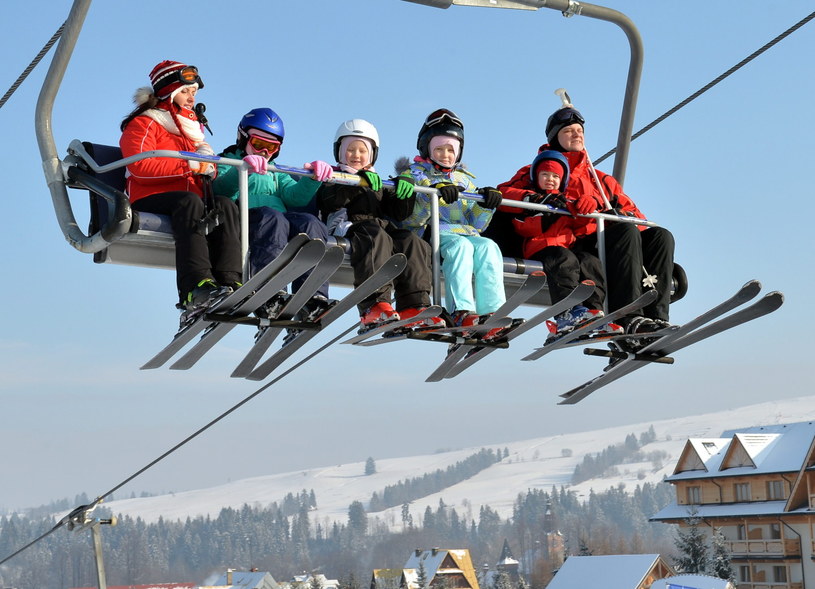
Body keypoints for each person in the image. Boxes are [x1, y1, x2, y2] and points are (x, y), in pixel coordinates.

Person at [497, 106, 676, 334]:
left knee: (660, 236)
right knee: (625, 233)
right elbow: (503, 193)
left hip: (603, 241)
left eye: (579, 130)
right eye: (569, 130)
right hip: (574, 243)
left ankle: (656, 316)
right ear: (555, 138)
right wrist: (542, 199)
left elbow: (635, 215)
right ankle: (627, 316)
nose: (576, 134)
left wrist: (612, 212)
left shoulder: (601, 180)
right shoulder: (541, 171)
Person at [119, 60, 242, 324]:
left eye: (194, 92)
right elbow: (140, 165)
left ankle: (230, 280)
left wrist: (211, 167)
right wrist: (190, 165)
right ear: (170, 91)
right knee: (189, 203)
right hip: (149, 196)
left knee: (225, 206)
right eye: (186, 91)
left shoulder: (191, 129)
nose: (191, 97)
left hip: (188, 198)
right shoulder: (144, 123)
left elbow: (201, 170)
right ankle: (196, 287)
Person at [317, 119, 443, 329]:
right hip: (347, 226)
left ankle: (414, 304)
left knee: (412, 241)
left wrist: (405, 192)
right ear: (339, 152)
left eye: (362, 151)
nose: (357, 155)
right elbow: (330, 200)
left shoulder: (379, 182)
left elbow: (399, 213)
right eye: (351, 150)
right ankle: (374, 303)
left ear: (372, 154)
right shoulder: (334, 177)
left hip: (379, 227)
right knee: (376, 235)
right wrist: (355, 183)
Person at [213, 107, 334, 320]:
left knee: (311, 223)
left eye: (271, 147)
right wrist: (241, 169)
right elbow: (220, 189)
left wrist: (312, 179)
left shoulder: (275, 171)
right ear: (242, 138)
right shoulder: (227, 161)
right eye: (258, 144)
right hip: (247, 219)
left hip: (277, 223)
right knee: (273, 217)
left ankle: (311, 296)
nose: (264, 152)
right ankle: (267, 288)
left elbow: (295, 197)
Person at [395, 109, 505, 328]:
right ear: (427, 148)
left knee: (489, 247)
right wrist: (432, 195)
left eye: (450, 150)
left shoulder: (464, 180)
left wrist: (485, 205)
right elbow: (410, 219)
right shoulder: (416, 174)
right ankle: (461, 310)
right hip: (433, 233)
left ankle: (493, 311)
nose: (445, 155)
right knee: (461, 247)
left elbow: (476, 225)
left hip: (465, 232)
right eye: (439, 149)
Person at [503, 150, 622, 340]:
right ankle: (566, 313)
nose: (550, 179)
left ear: (562, 180)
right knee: (563, 258)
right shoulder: (531, 202)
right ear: (536, 177)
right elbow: (522, 226)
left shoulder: (566, 202)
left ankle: (593, 311)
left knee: (589, 261)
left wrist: (585, 208)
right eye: (545, 175)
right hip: (541, 249)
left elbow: (582, 228)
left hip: (568, 250)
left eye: (555, 176)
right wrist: (546, 215)